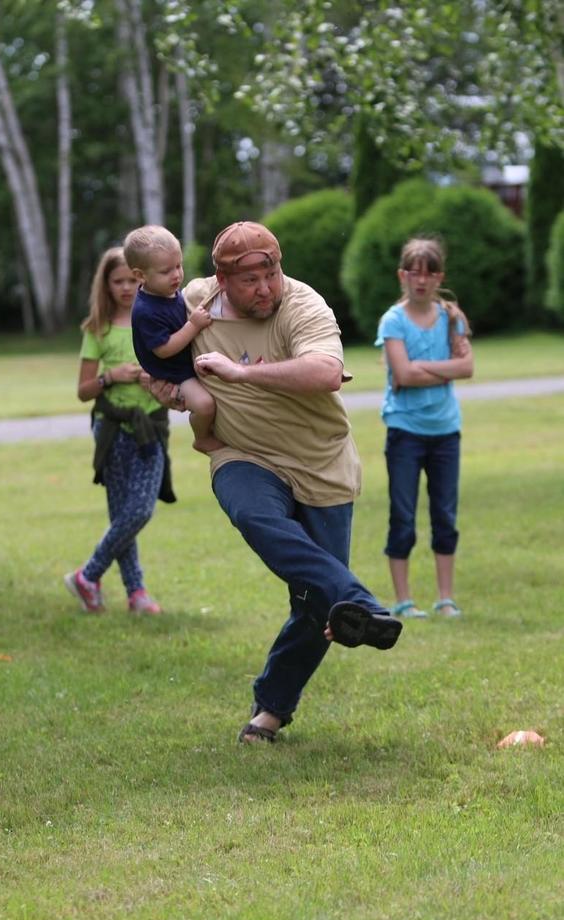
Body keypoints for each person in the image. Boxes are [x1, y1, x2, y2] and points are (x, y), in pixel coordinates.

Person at [148, 220, 403, 744]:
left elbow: (325, 373)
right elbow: (153, 351)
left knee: (317, 605)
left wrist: (241, 375)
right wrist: (169, 389)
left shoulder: (303, 306)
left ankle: (273, 706)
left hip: (321, 462)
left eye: (272, 273)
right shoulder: (193, 302)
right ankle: (358, 601)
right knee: (256, 515)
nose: (265, 288)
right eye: (250, 280)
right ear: (221, 280)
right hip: (241, 454)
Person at [64, 245, 175, 616]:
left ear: (143, 277)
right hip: (111, 429)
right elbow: (82, 391)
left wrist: (155, 376)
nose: (126, 287)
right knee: (123, 514)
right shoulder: (98, 329)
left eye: (132, 279)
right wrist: (111, 376)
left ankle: (87, 575)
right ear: (106, 284)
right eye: (118, 281)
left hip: (151, 426)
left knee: (140, 509)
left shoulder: (157, 318)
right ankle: (137, 593)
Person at [375, 236, 474, 620]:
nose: (421, 280)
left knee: (445, 516)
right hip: (405, 431)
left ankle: (445, 598)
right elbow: (402, 373)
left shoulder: (452, 317)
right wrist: (439, 370)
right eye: (414, 272)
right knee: (402, 514)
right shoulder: (393, 321)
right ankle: (403, 600)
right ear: (402, 275)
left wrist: (421, 371)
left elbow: (467, 368)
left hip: (446, 431)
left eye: (429, 273)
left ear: (439, 277)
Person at [125, 224, 223, 454]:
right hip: (173, 373)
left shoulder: (168, 292)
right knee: (205, 405)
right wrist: (194, 325)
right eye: (166, 271)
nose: (177, 274)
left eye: (178, 266)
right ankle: (202, 437)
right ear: (140, 275)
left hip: (185, 362)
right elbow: (164, 349)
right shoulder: (145, 310)